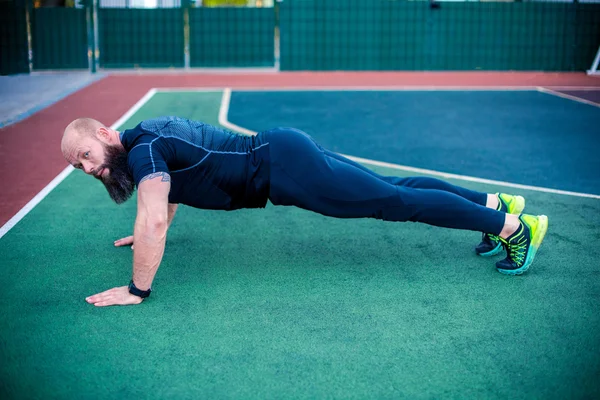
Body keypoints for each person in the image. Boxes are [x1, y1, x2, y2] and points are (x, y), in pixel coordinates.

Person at [60, 116, 548, 307]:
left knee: (396, 203)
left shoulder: (143, 153)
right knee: (392, 189)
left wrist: (137, 289)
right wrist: (146, 229)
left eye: (85, 155)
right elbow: (168, 193)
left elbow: (153, 215)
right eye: (76, 165)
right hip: (284, 152)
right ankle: (493, 205)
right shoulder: (148, 136)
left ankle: (512, 228)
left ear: (104, 134)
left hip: (286, 171)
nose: (85, 168)